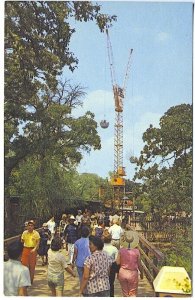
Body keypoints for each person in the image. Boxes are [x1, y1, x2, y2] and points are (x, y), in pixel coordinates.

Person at [116, 229, 143, 297]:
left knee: (125, 293)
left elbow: (117, 262)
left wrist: (117, 273)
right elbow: (139, 265)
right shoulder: (136, 251)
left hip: (122, 272)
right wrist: (141, 273)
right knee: (133, 293)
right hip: (133, 274)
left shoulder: (121, 251)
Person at [21, 219, 40, 284]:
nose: (30, 227)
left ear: (33, 227)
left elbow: (38, 243)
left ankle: (30, 281)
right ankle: (25, 280)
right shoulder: (24, 233)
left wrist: (35, 249)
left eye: (31, 225)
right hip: (25, 249)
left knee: (32, 266)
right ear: (27, 226)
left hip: (33, 250)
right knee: (24, 265)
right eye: (29, 225)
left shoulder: (36, 233)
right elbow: (22, 241)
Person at [103, 229, 119, 297]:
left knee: (103, 283)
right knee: (111, 283)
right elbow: (117, 261)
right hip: (112, 267)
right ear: (111, 240)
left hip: (102, 267)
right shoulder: (114, 249)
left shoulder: (101, 248)